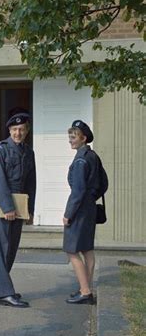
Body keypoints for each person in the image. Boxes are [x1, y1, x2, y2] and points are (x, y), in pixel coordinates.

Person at [0, 111, 36, 307]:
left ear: (27, 131)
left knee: (11, 248)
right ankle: (5, 293)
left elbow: (31, 182)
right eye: (15, 129)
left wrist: (30, 209)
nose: (18, 133)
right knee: (2, 249)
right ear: (9, 130)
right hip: (2, 202)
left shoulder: (28, 151)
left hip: (20, 203)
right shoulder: (0, 149)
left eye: (22, 130)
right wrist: (7, 207)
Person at [63, 120, 108, 304]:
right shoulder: (93, 156)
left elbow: (78, 190)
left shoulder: (81, 159)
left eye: (74, 137)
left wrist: (68, 214)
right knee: (87, 250)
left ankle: (85, 291)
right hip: (89, 207)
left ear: (83, 138)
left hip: (80, 209)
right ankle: (86, 288)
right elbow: (104, 183)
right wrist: (92, 197)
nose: (71, 141)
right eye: (70, 137)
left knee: (72, 251)